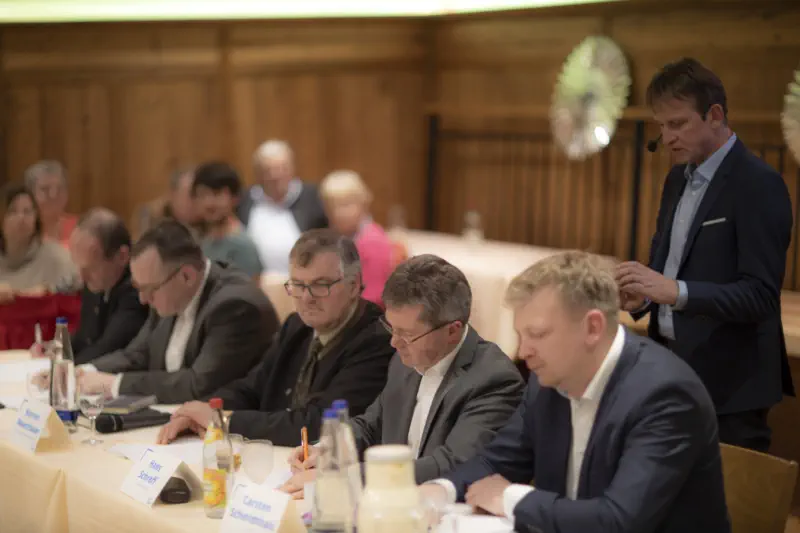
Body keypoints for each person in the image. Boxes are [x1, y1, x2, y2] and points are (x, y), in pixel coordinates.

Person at [421, 251, 731, 533]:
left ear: (592, 328)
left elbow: (619, 521)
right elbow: (496, 462)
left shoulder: (665, 395)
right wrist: (441, 490)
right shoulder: (549, 380)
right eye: (520, 335)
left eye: (537, 334)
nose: (523, 352)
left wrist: (512, 498)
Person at [616, 57, 794, 452]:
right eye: (662, 126)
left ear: (714, 115)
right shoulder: (676, 178)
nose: (668, 138)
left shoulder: (758, 184)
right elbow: (667, 265)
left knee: (731, 494)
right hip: (670, 368)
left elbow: (760, 296)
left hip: (731, 383)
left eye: (678, 124)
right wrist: (644, 296)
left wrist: (673, 291)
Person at [281, 254, 524, 496]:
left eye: (407, 334)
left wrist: (344, 476)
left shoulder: (494, 380)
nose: (394, 343)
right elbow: (371, 425)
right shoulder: (404, 360)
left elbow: (452, 464)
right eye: (391, 327)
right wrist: (327, 451)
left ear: (452, 331)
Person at [156, 229, 393, 446]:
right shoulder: (297, 326)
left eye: (320, 285)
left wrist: (222, 420)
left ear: (353, 285)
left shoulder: (377, 340)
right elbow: (252, 387)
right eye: (298, 285)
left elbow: (319, 424)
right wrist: (200, 412)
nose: (306, 298)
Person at [77, 220, 279, 403]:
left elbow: (198, 385)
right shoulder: (168, 291)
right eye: (139, 288)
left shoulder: (235, 306)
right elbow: (137, 354)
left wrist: (114, 384)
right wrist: (83, 372)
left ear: (187, 276)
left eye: (149, 289)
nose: (143, 299)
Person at [69, 208, 148, 365]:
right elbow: (84, 338)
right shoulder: (98, 281)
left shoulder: (137, 290)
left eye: (91, 268)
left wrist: (64, 368)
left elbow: (106, 349)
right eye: (79, 267)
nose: (82, 277)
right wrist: (56, 350)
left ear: (122, 256)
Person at [237, 140, 328, 274]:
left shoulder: (314, 198)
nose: (275, 176)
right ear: (257, 174)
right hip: (256, 282)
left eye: (281, 168)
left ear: (292, 168)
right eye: (268, 170)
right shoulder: (244, 201)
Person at [319, 170, 393, 306]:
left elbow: (373, 300)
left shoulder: (373, 242)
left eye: (346, 204)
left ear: (363, 203)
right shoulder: (335, 238)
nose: (338, 213)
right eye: (331, 206)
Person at [0, 184, 79, 302]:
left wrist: (47, 291)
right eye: (12, 211)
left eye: (27, 212)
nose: (21, 218)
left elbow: (78, 286)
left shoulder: (57, 257)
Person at [193, 161, 263, 279]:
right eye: (203, 195)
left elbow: (249, 288)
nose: (209, 203)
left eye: (216, 194)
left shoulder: (242, 245)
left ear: (235, 198)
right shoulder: (204, 241)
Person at [23, 160, 78, 248]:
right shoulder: (22, 230)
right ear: (30, 194)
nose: (53, 195)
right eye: (45, 189)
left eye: (60, 188)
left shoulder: (81, 227)